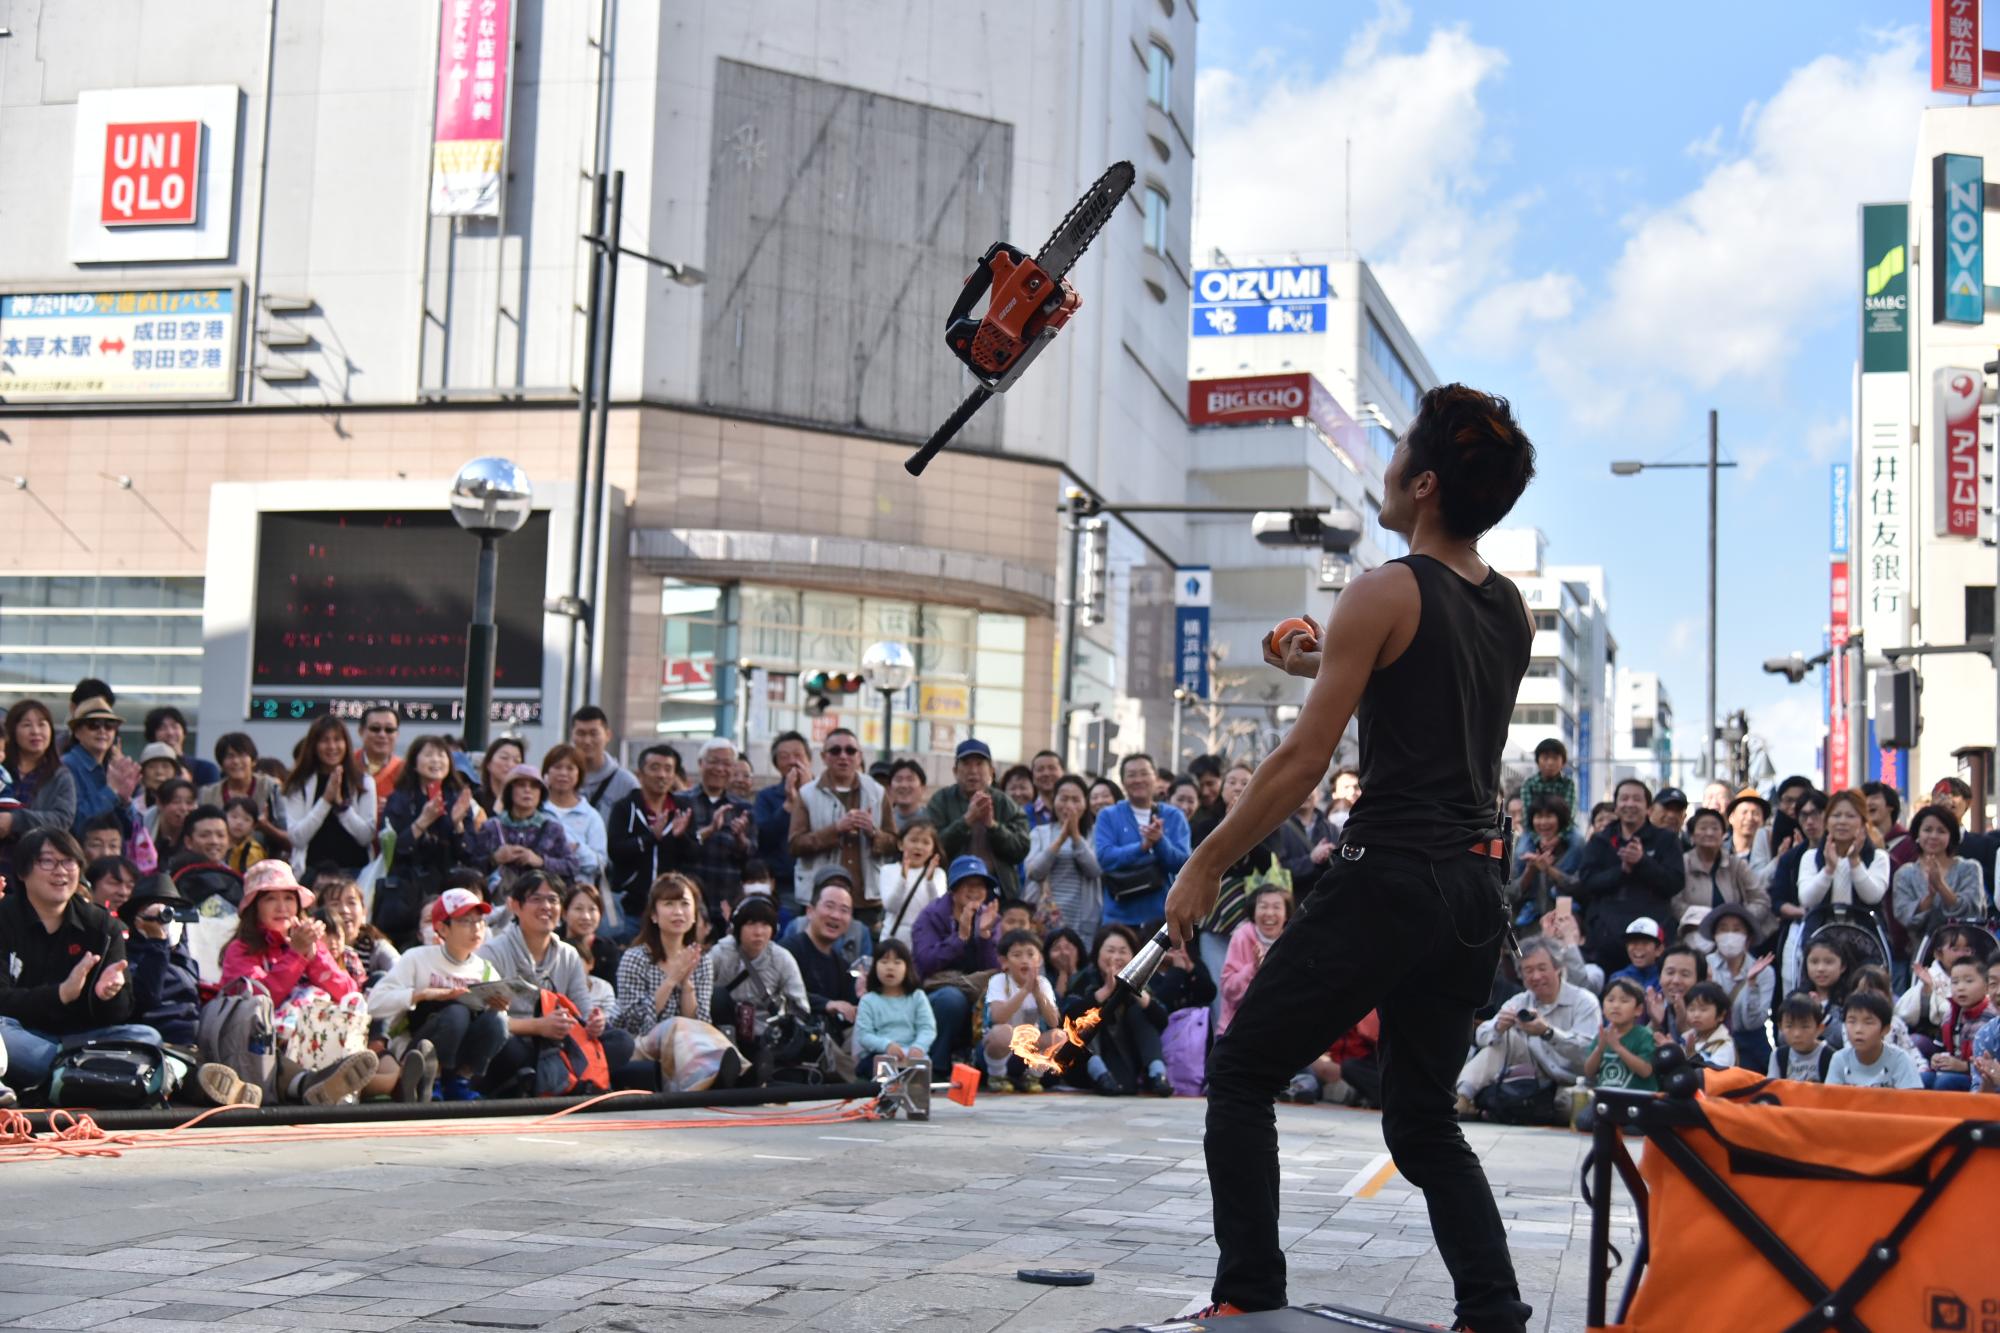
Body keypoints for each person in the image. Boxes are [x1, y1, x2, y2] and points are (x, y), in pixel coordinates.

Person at [1162, 383, 1540, 1330]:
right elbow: (1423, 691)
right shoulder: (1511, 610)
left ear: (1423, 481)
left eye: (1398, 447)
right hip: (1470, 889)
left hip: (1390, 874)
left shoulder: (1384, 587)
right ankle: (1494, 1311)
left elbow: (1302, 760)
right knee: (1419, 1117)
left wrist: (1207, 860)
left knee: (1244, 1068)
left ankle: (1248, 1293)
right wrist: (1325, 657)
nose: (1383, 464)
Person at [0, 829, 158, 1094]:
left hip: (81, 1040)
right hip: (21, 1037)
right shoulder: (4, 919)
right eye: (48, 861)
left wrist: (108, 995)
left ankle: (65, 1074)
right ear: (23, 871)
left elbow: (120, 1014)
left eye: (69, 861)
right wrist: (60, 994)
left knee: (146, 1037)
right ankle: (83, 1074)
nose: (61, 871)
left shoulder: (102, 926)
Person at [219, 860, 385, 1104]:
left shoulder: (311, 942)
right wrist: (295, 955)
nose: (282, 907)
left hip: (315, 1042)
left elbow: (348, 991)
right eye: (270, 899)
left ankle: (340, 1082)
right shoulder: (240, 949)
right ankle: (314, 1084)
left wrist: (314, 954)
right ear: (255, 908)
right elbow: (258, 1000)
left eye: (288, 898)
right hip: (262, 1046)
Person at [478, 871, 630, 1096]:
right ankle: (561, 1082)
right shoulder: (493, 952)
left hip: (559, 1042)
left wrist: (593, 1022)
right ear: (515, 906)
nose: (546, 906)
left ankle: (552, 1081)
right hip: (519, 1040)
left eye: (553, 899)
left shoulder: (568, 954)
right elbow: (486, 1020)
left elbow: (582, 1010)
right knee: (507, 1046)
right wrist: (539, 1026)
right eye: (536, 899)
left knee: (622, 1042)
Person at [366, 888, 512, 1101]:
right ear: (442, 928)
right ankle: (430, 1080)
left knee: (497, 1021)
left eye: (480, 921)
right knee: (457, 1013)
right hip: (418, 1048)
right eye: (466, 921)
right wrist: (421, 995)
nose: (476, 928)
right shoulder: (417, 958)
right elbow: (375, 1003)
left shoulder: (486, 969)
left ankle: (460, 1081)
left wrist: (498, 1007)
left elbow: (498, 1026)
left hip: (462, 1050)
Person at [1452, 938, 1600, 1119]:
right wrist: (1498, 1027)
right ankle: (1462, 1098)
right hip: (1535, 1076)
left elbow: (1588, 1052)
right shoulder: (1521, 1000)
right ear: (1521, 975)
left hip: (1572, 1080)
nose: (1536, 976)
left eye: (1542, 968)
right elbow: (1482, 1035)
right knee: (1503, 1039)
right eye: (1528, 970)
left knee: (1570, 1110)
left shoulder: (1584, 1001)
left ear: (1558, 968)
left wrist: (1548, 1033)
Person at [788, 729, 898, 929]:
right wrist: (835, 829)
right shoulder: (807, 794)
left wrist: (874, 833)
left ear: (859, 757)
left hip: (866, 900)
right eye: (835, 751)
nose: (843, 756)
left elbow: (895, 842)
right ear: (824, 757)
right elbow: (795, 845)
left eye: (850, 750)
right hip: (820, 898)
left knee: (864, 957)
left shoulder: (877, 792)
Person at [1573, 778, 1685, 969]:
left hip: (1652, 935)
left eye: (1636, 799)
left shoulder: (1666, 839)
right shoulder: (1600, 840)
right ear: (1616, 807)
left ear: (1648, 807)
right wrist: (1621, 871)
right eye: (1624, 799)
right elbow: (1586, 882)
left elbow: (1674, 882)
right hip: (1606, 937)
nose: (1630, 804)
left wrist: (1642, 862)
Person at [1788, 790, 1891, 997]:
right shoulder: (1810, 857)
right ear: (1827, 821)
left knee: (1866, 997)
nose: (1842, 822)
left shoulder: (1878, 857)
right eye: (1836, 815)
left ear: (1863, 822)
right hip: (1821, 935)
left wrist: (1854, 863)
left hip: (1865, 937)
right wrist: (1828, 869)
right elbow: (1807, 898)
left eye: (1850, 816)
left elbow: (1873, 895)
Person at [912, 855, 1004, 1071]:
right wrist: (960, 937)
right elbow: (925, 963)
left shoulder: (990, 917)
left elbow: (996, 969)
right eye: (968, 884)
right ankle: (938, 1067)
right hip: (938, 991)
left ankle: (987, 1066)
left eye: (980, 885)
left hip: (977, 992)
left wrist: (984, 935)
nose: (975, 891)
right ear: (953, 888)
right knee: (951, 1000)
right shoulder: (930, 916)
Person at [1063, 924, 1172, 1096]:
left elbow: (1161, 1020)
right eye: (1110, 951)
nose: (1116, 957)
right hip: (1086, 1060)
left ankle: (1157, 1074)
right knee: (1090, 1017)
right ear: (1098, 953)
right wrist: (1105, 991)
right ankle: (1099, 1074)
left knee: (1139, 1012)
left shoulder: (1144, 980)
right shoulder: (1084, 979)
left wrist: (1133, 986)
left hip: (1123, 1052)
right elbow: (1068, 1017)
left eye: (1123, 952)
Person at [614, 873, 714, 1046]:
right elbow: (633, 1023)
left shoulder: (701, 960)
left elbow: (699, 1025)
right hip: (641, 1044)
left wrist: (686, 983)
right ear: (654, 915)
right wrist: (672, 980)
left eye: (685, 904)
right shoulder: (635, 958)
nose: (678, 912)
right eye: (669, 904)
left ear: (694, 915)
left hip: (687, 1046)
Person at [783, 869, 865, 1076]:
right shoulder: (789, 949)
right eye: (829, 906)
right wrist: (827, 1004)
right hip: (798, 1038)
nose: (836, 915)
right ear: (810, 910)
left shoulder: (842, 964)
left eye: (844, 910)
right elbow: (783, 994)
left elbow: (850, 1012)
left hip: (834, 1042)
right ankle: (860, 1086)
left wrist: (864, 995)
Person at [928, 739, 1033, 901]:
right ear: (955, 771)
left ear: (991, 771)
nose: (973, 771)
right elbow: (932, 847)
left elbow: (1021, 849)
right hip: (952, 888)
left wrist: (993, 826)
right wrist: (966, 821)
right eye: (967, 764)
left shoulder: (1004, 803)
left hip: (998, 890)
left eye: (979, 764)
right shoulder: (941, 800)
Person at [707, 896, 809, 1060]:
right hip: (720, 1034)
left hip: (766, 1039)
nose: (758, 932)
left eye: (765, 925)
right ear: (738, 927)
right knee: (718, 996)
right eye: (751, 924)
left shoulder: (782, 959)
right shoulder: (720, 954)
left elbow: (801, 1008)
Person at [1096, 753, 1190, 929]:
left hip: (1160, 918)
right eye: (1131, 775)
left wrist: (1160, 841)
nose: (1138, 779)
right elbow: (1105, 858)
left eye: (1144, 773)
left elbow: (1183, 864)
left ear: (1155, 777)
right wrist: (1142, 847)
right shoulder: (1108, 815)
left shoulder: (1174, 816)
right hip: (1118, 919)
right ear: (1122, 782)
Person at [605, 746, 693, 932]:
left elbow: (694, 856)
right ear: (640, 774)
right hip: (631, 907)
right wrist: (650, 838)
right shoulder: (625, 807)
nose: (662, 775)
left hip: (671, 908)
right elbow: (615, 850)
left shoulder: (683, 809)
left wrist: (681, 837)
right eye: (654, 767)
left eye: (668, 769)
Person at [280, 716, 378, 879]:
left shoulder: (364, 782)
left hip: (355, 872)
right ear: (314, 745)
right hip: (311, 873)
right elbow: (297, 837)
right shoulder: (299, 784)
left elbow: (366, 836)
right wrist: (325, 801)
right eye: (325, 740)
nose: (332, 746)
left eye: (337, 740)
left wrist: (341, 805)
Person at [1892, 805, 1986, 953]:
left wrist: (1941, 887)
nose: (1933, 836)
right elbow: (1905, 917)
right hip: (1922, 955)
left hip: (1968, 954)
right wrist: (1930, 898)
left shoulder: (1969, 868)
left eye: (1941, 831)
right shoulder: (1905, 873)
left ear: (1951, 836)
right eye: (1927, 830)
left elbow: (1972, 912)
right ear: (1917, 834)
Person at [680, 738, 758, 919]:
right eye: (714, 762)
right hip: (688, 898)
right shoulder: (681, 801)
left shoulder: (743, 808)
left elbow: (752, 853)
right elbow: (675, 848)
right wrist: (710, 830)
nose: (720, 769)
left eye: (727, 764)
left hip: (726, 899)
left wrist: (740, 839)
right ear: (701, 764)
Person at [1023, 774, 1103, 946]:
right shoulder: (1039, 833)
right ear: (1054, 801)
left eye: (1076, 799)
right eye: (1064, 798)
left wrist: (1075, 836)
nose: (1069, 805)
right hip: (1044, 918)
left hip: (1082, 921)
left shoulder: (1096, 834)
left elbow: (1095, 870)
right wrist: (1060, 839)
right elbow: (1034, 872)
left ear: (1085, 803)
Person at [467, 764, 579, 885]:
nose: (527, 790)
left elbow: (572, 866)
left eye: (534, 786)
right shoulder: (491, 827)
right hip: (497, 900)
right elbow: (471, 867)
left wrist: (540, 861)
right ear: (510, 791)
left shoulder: (553, 829)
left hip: (540, 900)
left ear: (541, 793)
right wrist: (495, 858)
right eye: (521, 785)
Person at [1673, 805, 1773, 942]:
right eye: (1703, 828)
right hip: (1693, 934)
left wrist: (1739, 919)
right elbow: (1675, 902)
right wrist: (1703, 918)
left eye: (1715, 828)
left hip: (1734, 936)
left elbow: (1760, 899)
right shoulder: (1682, 864)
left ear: (1723, 834)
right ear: (1692, 835)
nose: (1709, 833)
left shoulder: (1737, 865)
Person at [981, 927, 1061, 1093]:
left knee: (1059, 1036)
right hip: (999, 1051)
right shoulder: (999, 981)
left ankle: (1032, 1077)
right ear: (1004, 962)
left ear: (1039, 959)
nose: (1025, 960)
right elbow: (998, 1017)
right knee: (1002, 1032)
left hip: (1028, 1052)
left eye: (1031, 954)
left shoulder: (1043, 983)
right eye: (1017, 955)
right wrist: (1024, 991)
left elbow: (1053, 1021)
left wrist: (1038, 993)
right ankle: (997, 1076)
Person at [1699, 902, 1774, 1074]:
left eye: (1737, 929)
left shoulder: (1765, 971)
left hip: (1752, 1047)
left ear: (1748, 938)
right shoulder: (1705, 965)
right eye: (1723, 929)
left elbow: (1754, 1022)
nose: (1729, 935)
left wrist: (1751, 984)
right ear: (1714, 936)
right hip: (1714, 1044)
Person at [199, 732, 290, 861]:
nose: (236, 761)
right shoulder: (207, 794)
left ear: (253, 761)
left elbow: (289, 838)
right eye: (230, 756)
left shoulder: (270, 788)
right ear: (221, 763)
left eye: (241, 755)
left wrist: (265, 826)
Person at [62, 698, 141, 840]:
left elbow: (131, 832)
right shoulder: (66, 766)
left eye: (109, 725)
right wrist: (110, 791)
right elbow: (77, 823)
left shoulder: (114, 768)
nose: (102, 731)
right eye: (94, 725)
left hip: (113, 856)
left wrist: (125, 801)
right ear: (77, 732)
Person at [2, 700, 78, 849]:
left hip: (38, 858)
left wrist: (14, 821)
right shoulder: (2, 770)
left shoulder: (60, 775)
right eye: (27, 725)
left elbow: (62, 820)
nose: (36, 731)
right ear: (12, 731)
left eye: (42, 724)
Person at [1218, 884, 1291, 1037]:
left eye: (1276, 907)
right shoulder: (1241, 936)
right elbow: (1228, 991)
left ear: (1286, 915)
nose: (1269, 913)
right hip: (1237, 1030)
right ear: (1253, 911)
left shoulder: (1292, 941)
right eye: (1263, 906)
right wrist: (1255, 969)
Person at [855, 939, 935, 1069]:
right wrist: (887, 1046)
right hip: (879, 1054)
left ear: (907, 968)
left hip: (912, 1055)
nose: (890, 967)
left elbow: (927, 1028)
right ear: (875, 966)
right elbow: (864, 1035)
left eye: (897, 962)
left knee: (919, 1074)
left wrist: (918, 1047)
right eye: (884, 962)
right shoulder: (868, 1000)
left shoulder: (917, 997)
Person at [1825, 989, 1924, 1088]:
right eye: (1852, 1021)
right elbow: (1830, 1100)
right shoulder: (1839, 1059)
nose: (1858, 1030)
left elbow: (1912, 1101)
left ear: (1885, 1029)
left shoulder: (1900, 1059)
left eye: (1868, 1022)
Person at [541, 744, 609, 885]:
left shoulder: (591, 816)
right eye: (557, 767)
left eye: (570, 768)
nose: (563, 773)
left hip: (578, 895)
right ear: (546, 772)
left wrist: (577, 848)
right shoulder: (537, 811)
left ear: (579, 774)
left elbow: (600, 864)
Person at [753, 731, 812, 894]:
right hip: (783, 883)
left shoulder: (825, 793)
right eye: (784, 757)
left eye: (798, 755)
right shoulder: (766, 797)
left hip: (817, 881)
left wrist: (809, 794)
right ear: (776, 764)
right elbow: (762, 839)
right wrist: (788, 805)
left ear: (809, 759)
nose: (792, 761)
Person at [1506, 796, 1579, 925]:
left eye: (1549, 816)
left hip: (1565, 924)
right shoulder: (1523, 848)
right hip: (1530, 926)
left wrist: (1549, 870)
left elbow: (1579, 887)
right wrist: (1530, 870)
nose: (1543, 822)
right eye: (1539, 816)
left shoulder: (1574, 847)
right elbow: (1510, 893)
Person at [1924, 956, 1991, 1092]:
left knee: (1945, 1082)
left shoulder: (1991, 1017)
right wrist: (1937, 1059)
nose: (1960, 988)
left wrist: (1963, 1066)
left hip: (1979, 1078)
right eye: (1954, 982)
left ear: (1987, 986)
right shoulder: (1951, 1013)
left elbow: (1991, 1063)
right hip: (1954, 1070)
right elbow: (1941, 1048)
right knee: (1923, 1078)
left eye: (1969, 981)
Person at [1584, 977, 1658, 1097]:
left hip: (1638, 1100)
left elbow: (1646, 1071)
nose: (1616, 1006)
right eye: (1610, 1000)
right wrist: (1599, 1049)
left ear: (1638, 1010)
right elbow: (1589, 1072)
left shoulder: (1644, 1035)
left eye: (1624, 1001)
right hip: (1606, 1098)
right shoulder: (1602, 1035)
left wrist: (1618, 1047)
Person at [879, 818, 946, 946]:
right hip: (894, 941)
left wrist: (930, 880)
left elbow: (938, 909)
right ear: (900, 844)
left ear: (933, 849)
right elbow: (891, 906)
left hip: (925, 941)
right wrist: (903, 878)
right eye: (913, 840)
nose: (919, 846)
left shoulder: (938, 874)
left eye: (926, 842)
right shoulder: (888, 870)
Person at [567, 705, 638, 817]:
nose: (587, 741)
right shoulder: (559, 777)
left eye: (593, 733)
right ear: (572, 736)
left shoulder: (626, 783)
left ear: (608, 735)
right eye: (581, 733)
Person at [561, 881, 623, 991]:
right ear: (564, 913)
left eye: (592, 909)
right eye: (578, 909)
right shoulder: (553, 942)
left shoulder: (608, 949)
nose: (586, 916)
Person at [1768, 993, 1834, 1082]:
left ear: (1819, 1029)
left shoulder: (1830, 1057)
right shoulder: (1778, 1056)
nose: (1797, 1034)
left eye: (1805, 1026)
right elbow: (1772, 1088)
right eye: (1789, 1026)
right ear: (1780, 1028)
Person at [1516, 738, 1576, 835]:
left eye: (1555, 758)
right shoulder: (1529, 784)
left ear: (1563, 762)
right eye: (1545, 758)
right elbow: (1528, 816)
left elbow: (1570, 814)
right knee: (1521, 849)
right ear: (1537, 761)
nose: (1550, 762)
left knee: (1578, 842)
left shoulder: (1568, 784)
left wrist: (1559, 837)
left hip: (1564, 831)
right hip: (1534, 832)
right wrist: (1538, 839)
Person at [1680, 980, 1736, 1068]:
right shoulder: (1686, 1038)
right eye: (1691, 1009)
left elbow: (1717, 1074)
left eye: (1703, 1009)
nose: (1696, 1015)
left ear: (1721, 1015)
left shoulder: (1723, 1043)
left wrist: (1693, 1057)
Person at [357, 707, 404, 800]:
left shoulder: (405, 770)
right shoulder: (346, 763)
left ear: (397, 734)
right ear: (361, 731)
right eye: (375, 728)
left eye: (389, 729)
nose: (382, 735)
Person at [1608, 916, 1666, 992]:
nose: (1638, 948)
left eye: (1645, 943)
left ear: (1659, 950)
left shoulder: (1666, 979)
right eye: (1633, 942)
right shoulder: (1617, 978)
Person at [474, 736, 527, 815]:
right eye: (504, 758)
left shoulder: (524, 798)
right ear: (488, 764)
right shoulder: (477, 798)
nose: (510, 765)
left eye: (517, 761)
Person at [221, 796, 269, 873]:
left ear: (254, 826)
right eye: (234, 817)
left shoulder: (253, 852)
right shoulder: (217, 844)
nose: (239, 822)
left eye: (246, 819)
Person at [884, 758, 929, 834]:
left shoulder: (932, 819)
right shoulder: (883, 820)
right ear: (890, 789)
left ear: (923, 788)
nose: (904, 785)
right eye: (898, 780)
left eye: (910, 780)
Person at [1724, 787, 1768, 863]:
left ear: (1763, 820)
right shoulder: (1718, 851)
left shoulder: (1771, 852)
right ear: (1731, 818)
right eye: (1744, 812)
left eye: (1756, 813)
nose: (1750, 818)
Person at [1028, 750, 1065, 828]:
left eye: (1052, 768)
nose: (1046, 773)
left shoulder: (1075, 812)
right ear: (1032, 777)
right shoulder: (1023, 814)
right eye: (1040, 769)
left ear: (1063, 773)